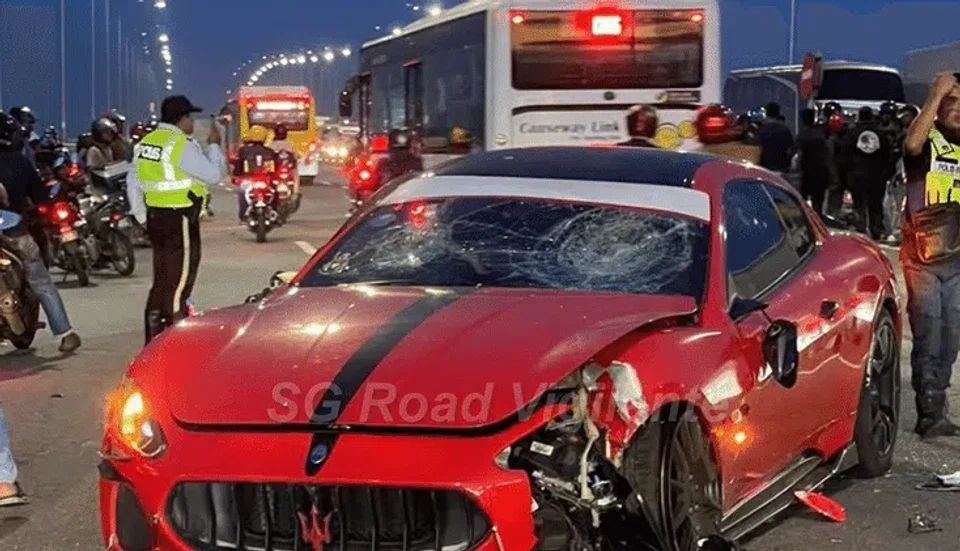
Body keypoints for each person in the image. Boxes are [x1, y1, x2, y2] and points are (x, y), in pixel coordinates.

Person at [127, 95, 225, 344]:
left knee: (161, 279)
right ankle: (173, 340)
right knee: (180, 281)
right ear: (180, 119)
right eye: (190, 117)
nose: (192, 122)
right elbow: (213, 175)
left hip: (155, 217)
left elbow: (133, 182)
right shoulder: (180, 145)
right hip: (180, 218)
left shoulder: (147, 143)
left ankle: (153, 338)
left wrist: (141, 216)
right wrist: (214, 146)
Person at [901, 72, 960, 439]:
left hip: (958, 260)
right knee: (929, 335)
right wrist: (936, 94)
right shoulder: (927, 142)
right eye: (951, 104)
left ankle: (939, 407)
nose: (957, 110)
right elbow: (911, 146)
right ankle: (928, 413)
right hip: (923, 259)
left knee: (952, 337)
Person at [0, 113, 81, 353]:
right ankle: (65, 333)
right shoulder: (19, 161)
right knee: (41, 280)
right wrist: (43, 211)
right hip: (13, 228)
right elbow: (40, 196)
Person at [841, 106, 892, 240]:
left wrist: (845, 175)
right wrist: (886, 173)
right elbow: (888, 154)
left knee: (859, 204)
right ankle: (876, 231)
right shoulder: (881, 134)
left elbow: (844, 155)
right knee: (875, 204)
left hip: (857, 174)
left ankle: (861, 231)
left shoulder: (852, 133)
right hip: (876, 175)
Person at [233, 125, 276, 221]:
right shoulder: (270, 151)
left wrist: (236, 175)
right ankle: (275, 212)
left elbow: (238, 167)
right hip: (265, 180)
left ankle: (243, 215)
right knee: (274, 192)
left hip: (251, 180)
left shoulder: (243, 151)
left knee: (242, 191)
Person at [796, 108, 831, 215]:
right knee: (818, 204)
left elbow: (797, 155)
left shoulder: (801, 136)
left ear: (802, 120)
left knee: (801, 204)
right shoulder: (821, 134)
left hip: (806, 173)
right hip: (821, 172)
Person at [757, 102, 795, 173]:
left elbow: (759, 150)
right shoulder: (785, 129)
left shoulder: (762, 130)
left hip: (766, 168)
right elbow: (789, 150)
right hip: (782, 168)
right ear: (778, 113)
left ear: (767, 113)